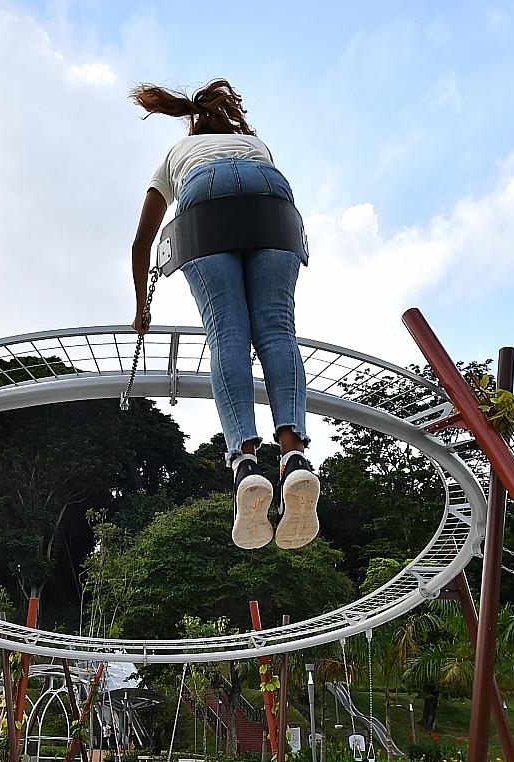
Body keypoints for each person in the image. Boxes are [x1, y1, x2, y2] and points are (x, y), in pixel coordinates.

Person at [128, 79, 319, 551]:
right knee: (276, 328)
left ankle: (246, 465)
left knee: (227, 333)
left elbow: (141, 242)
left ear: (190, 124)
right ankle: (293, 456)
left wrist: (141, 309)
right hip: (272, 200)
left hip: (202, 201)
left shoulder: (176, 157)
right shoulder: (255, 145)